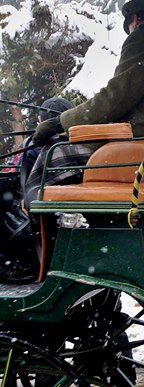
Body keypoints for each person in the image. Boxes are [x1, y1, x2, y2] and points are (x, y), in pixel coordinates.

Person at [25, 0, 144, 208]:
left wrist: (60, 123)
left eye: (128, 27)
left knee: (52, 154)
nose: (129, 33)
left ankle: (33, 225)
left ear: (135, 19)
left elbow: (114, 99)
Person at [0, 97, 72, 284]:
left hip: (41, 218)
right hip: (65, 214)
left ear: (40, 122)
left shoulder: (34, 145)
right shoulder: (79, 144)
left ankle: (16, 267)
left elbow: (14, 175)